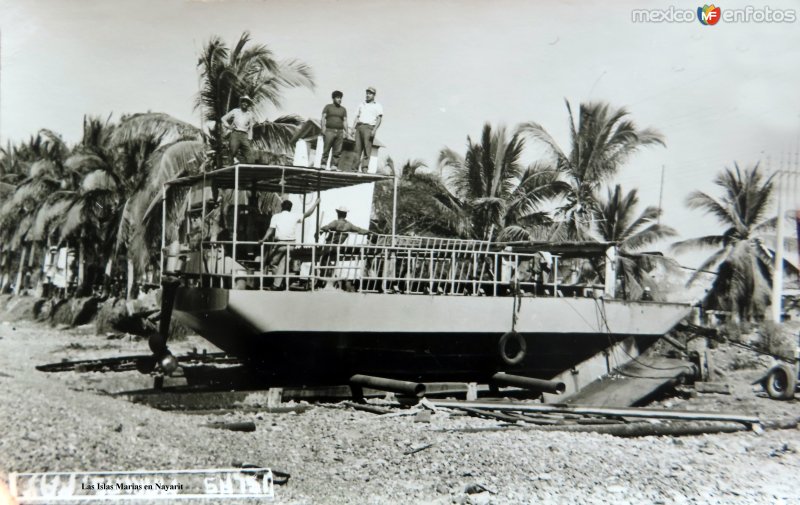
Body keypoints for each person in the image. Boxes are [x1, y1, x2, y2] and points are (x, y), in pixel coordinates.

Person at [260, 198, 319, 289]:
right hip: (291, 244)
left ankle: (277, 283)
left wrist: (263, 239)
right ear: (290, 208)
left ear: (281, 207)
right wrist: (316, 203)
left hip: (280, 244)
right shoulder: (294, 216)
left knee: (273, 263)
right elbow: (308, 213)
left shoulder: (276, 216)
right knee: (283, 264)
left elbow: (271, 230)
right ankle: (278, 284)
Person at [351, 86, 383, 173]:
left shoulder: (377, 105)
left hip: (369, 128)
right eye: (367, 93)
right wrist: (353, 128)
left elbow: (379, 119)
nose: (368, 95)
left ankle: (364, 167)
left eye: (370, 93)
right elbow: (357, 117)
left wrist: (374, 130)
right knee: (357, 149)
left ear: (374, 95)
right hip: (359, 127)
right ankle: (354, 168)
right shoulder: (361, 104)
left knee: (367, 149)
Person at [221, 95, 257, 164]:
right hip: (235, 134)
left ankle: (250, 172)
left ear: (248, 104)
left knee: (250, 155)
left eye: (247, 102)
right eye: (243, 101)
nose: (245, 103)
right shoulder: (235, 111)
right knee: (232, 152)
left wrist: (250, 139)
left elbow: (251, 128)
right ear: (241, 103)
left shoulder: (250, 114)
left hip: (245, 136)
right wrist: (228, 126)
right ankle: (231, 171)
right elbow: (223, 119)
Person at [321, 91, 349, 170]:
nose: (339, 99)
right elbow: (323, 117)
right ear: (333, 98)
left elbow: (345, 121)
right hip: (329, 130)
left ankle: (334, 165)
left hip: (340, 132)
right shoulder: (328, 107)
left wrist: (346, 132)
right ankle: (323, 164)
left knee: (337, 151)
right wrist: (323, 128)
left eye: (340, 98)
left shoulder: (343, 109)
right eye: (337, 97)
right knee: (326, 149)